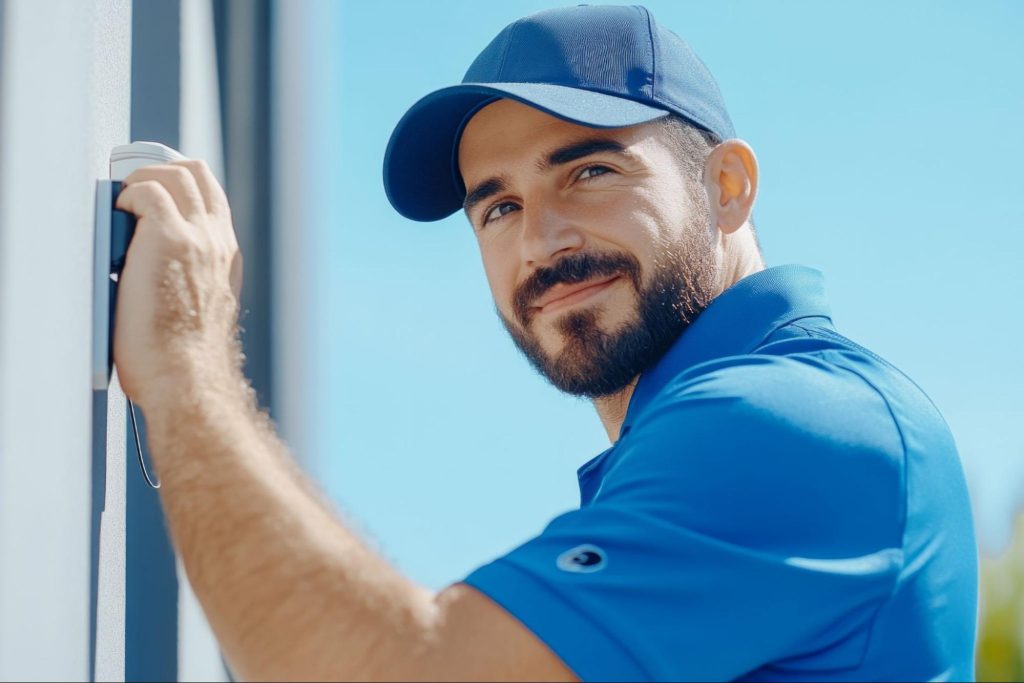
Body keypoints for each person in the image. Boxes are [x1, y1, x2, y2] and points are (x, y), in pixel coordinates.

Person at [114, 5, 978, 681]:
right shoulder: (728, 433)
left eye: (589, 170)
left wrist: (185, 362)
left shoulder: (788, 422)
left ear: (727, 185)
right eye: (498, 206)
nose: (543, 241)